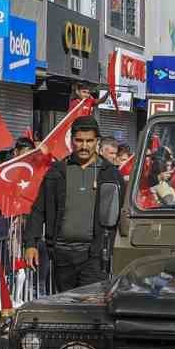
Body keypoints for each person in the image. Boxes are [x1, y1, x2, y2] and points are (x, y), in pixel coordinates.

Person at [24, 116, 126, 291]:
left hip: (94, 256)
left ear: (97, 142)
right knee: (66, 307)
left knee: (88, 308)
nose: (84, 146)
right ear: (71, 141)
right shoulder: (57, 172)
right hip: (62, 255)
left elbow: (121, 212)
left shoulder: (110, 173)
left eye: (89, 141)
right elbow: (39, 209)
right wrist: (31, 244)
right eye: (79, 140)